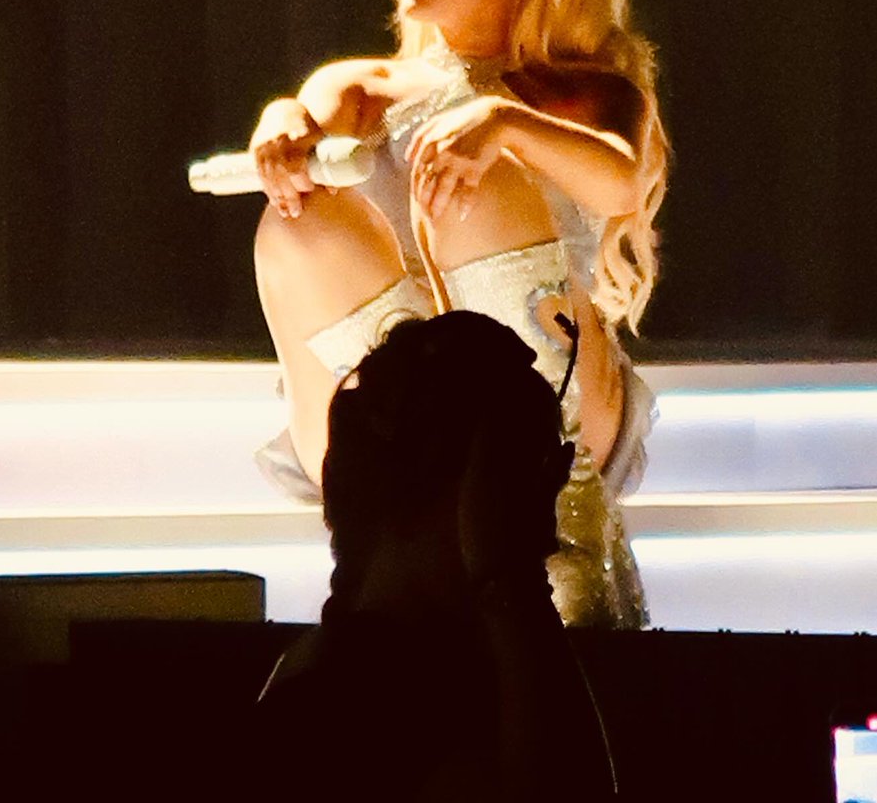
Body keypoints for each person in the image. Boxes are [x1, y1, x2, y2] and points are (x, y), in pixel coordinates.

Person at [251, 0, 668, 628]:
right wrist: (281, 126)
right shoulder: (361, 86)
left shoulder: (586, 90)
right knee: (295, 222)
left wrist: (503, 122)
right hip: (391, 431)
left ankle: (556, 516)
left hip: (553, 415)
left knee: (482, 186)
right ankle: (403, 491)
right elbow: (304, 134)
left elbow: (620, 180)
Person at [254, 312, 618, 801]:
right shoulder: (344, 707)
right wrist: (512, 581)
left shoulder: (335, 668)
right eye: (522, 483)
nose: (544, 532)